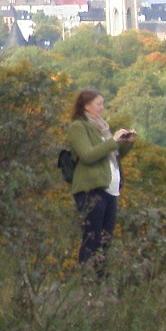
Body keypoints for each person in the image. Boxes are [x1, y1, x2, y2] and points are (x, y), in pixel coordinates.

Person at [66, 89, 135, 276]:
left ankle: (98, 284)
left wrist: (125, 143)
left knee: (105, 240)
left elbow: (113, 156)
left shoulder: (102, 127)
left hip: (111, 189)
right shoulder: (78, 127)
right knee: (92, 238)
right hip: (91, 188)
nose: (102, 108)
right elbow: (88, 156)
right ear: (86, 106)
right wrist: (113, 140)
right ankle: (85, 284)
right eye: (98, 104)